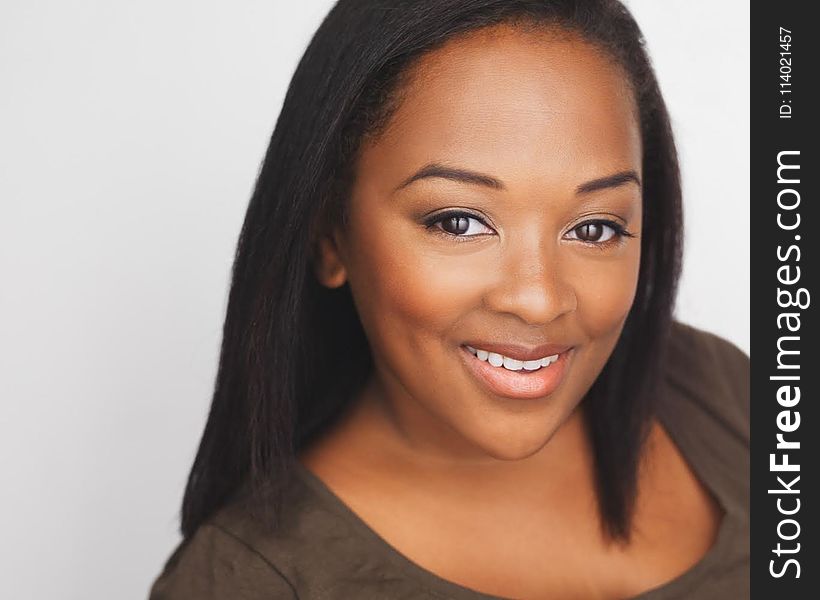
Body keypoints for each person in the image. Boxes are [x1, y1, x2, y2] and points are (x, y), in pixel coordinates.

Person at [148, 0, 749, 598]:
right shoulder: (250, 581)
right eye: (458, 222)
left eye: (594, 228)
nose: (538, 300)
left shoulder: (725, 393)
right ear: (331, 234)